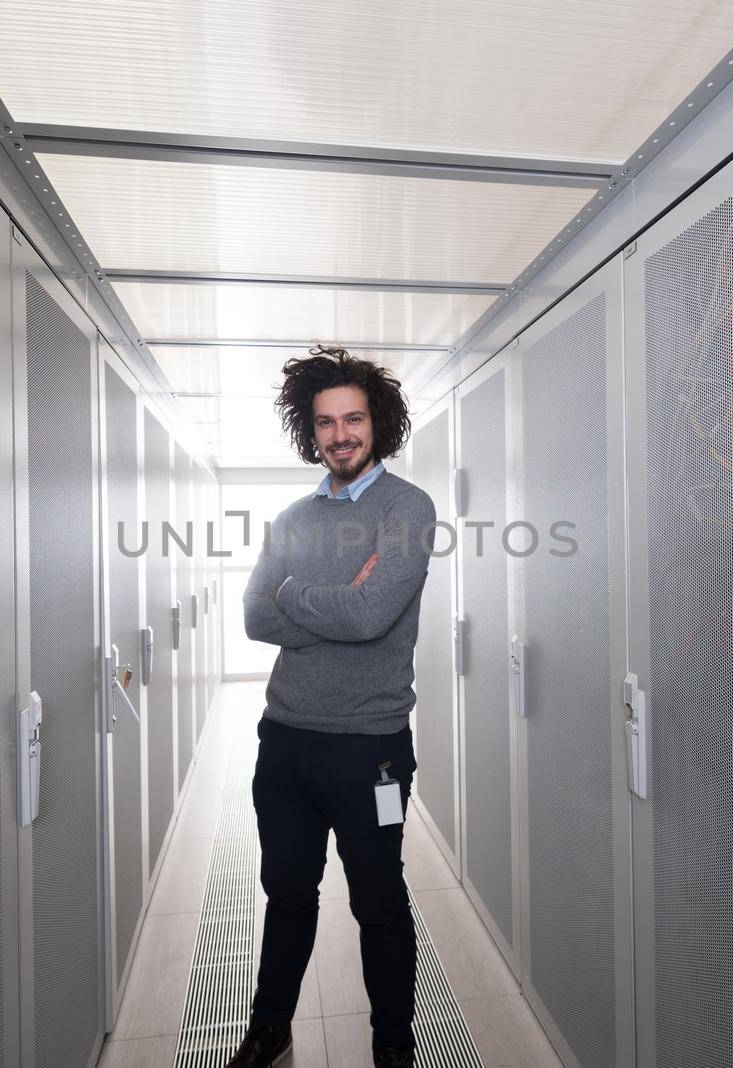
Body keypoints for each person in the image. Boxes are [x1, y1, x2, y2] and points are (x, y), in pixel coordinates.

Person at [227, 347, 435, 1068]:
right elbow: (255, 617)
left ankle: (393, 1044)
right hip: (284, 742)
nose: (341, 434)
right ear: (308, 431)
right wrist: (327, 605)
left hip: (367, 748)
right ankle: (269, 1028)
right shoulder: (292, 515)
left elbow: (372, 616)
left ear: (377, 422)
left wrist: (297, 600)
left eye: (353, 418)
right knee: (286, 890)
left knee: (377, 899)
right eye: (326, 423)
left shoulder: (406, 508)